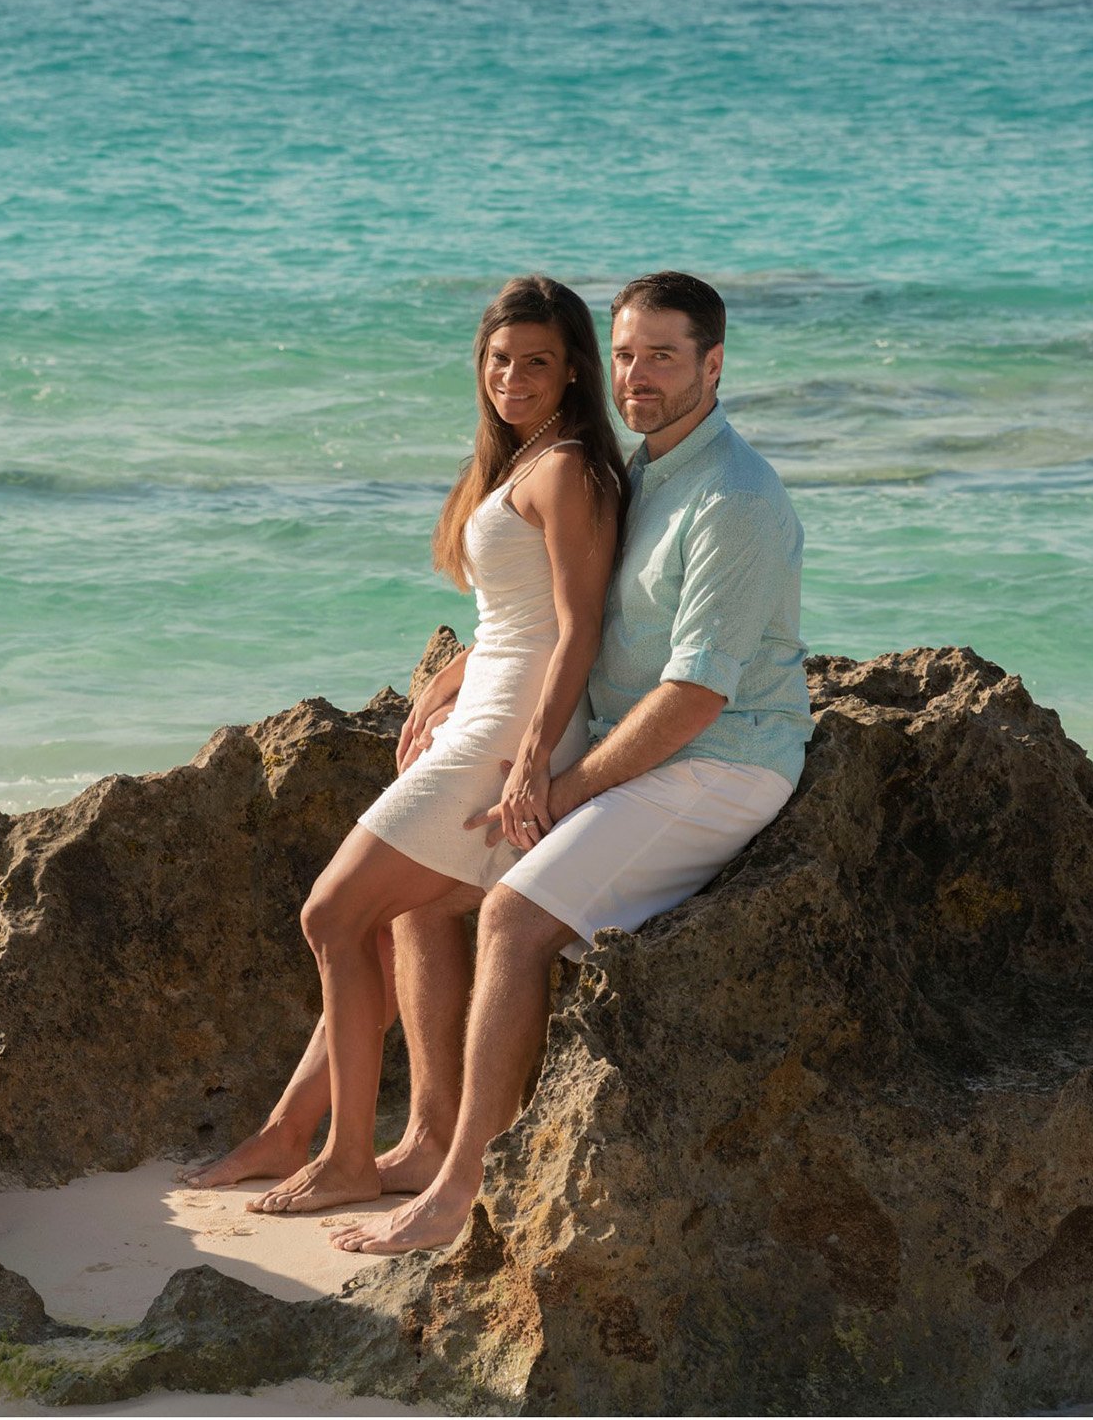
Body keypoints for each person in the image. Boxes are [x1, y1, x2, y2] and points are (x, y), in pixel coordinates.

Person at [331, 271, 812, 1254]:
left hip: (718, 764)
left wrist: (557, 790)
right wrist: (461, 671)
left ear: (713, 364)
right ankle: (422, 1138)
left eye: (664, 356)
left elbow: (694, 695)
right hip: (630, 753)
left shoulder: (733, 497)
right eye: (627, 354)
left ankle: (462, 1188)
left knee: (508, 915)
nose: (639, 375)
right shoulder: (644, 470)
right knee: (432, 899)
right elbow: (561, 605)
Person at [179, 275, 630, 1215]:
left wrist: (537, 755)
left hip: (509, 739)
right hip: (485, 712)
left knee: (329, 915)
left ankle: (341, 1154)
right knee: (390, 920)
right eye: (499, 360)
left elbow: (579, 629)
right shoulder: (522, 461)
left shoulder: (566, 466)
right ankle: (313, 1132)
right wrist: (453, 669)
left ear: (574, 369)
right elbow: (523, 612)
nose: (513, 377)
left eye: (537, 362)